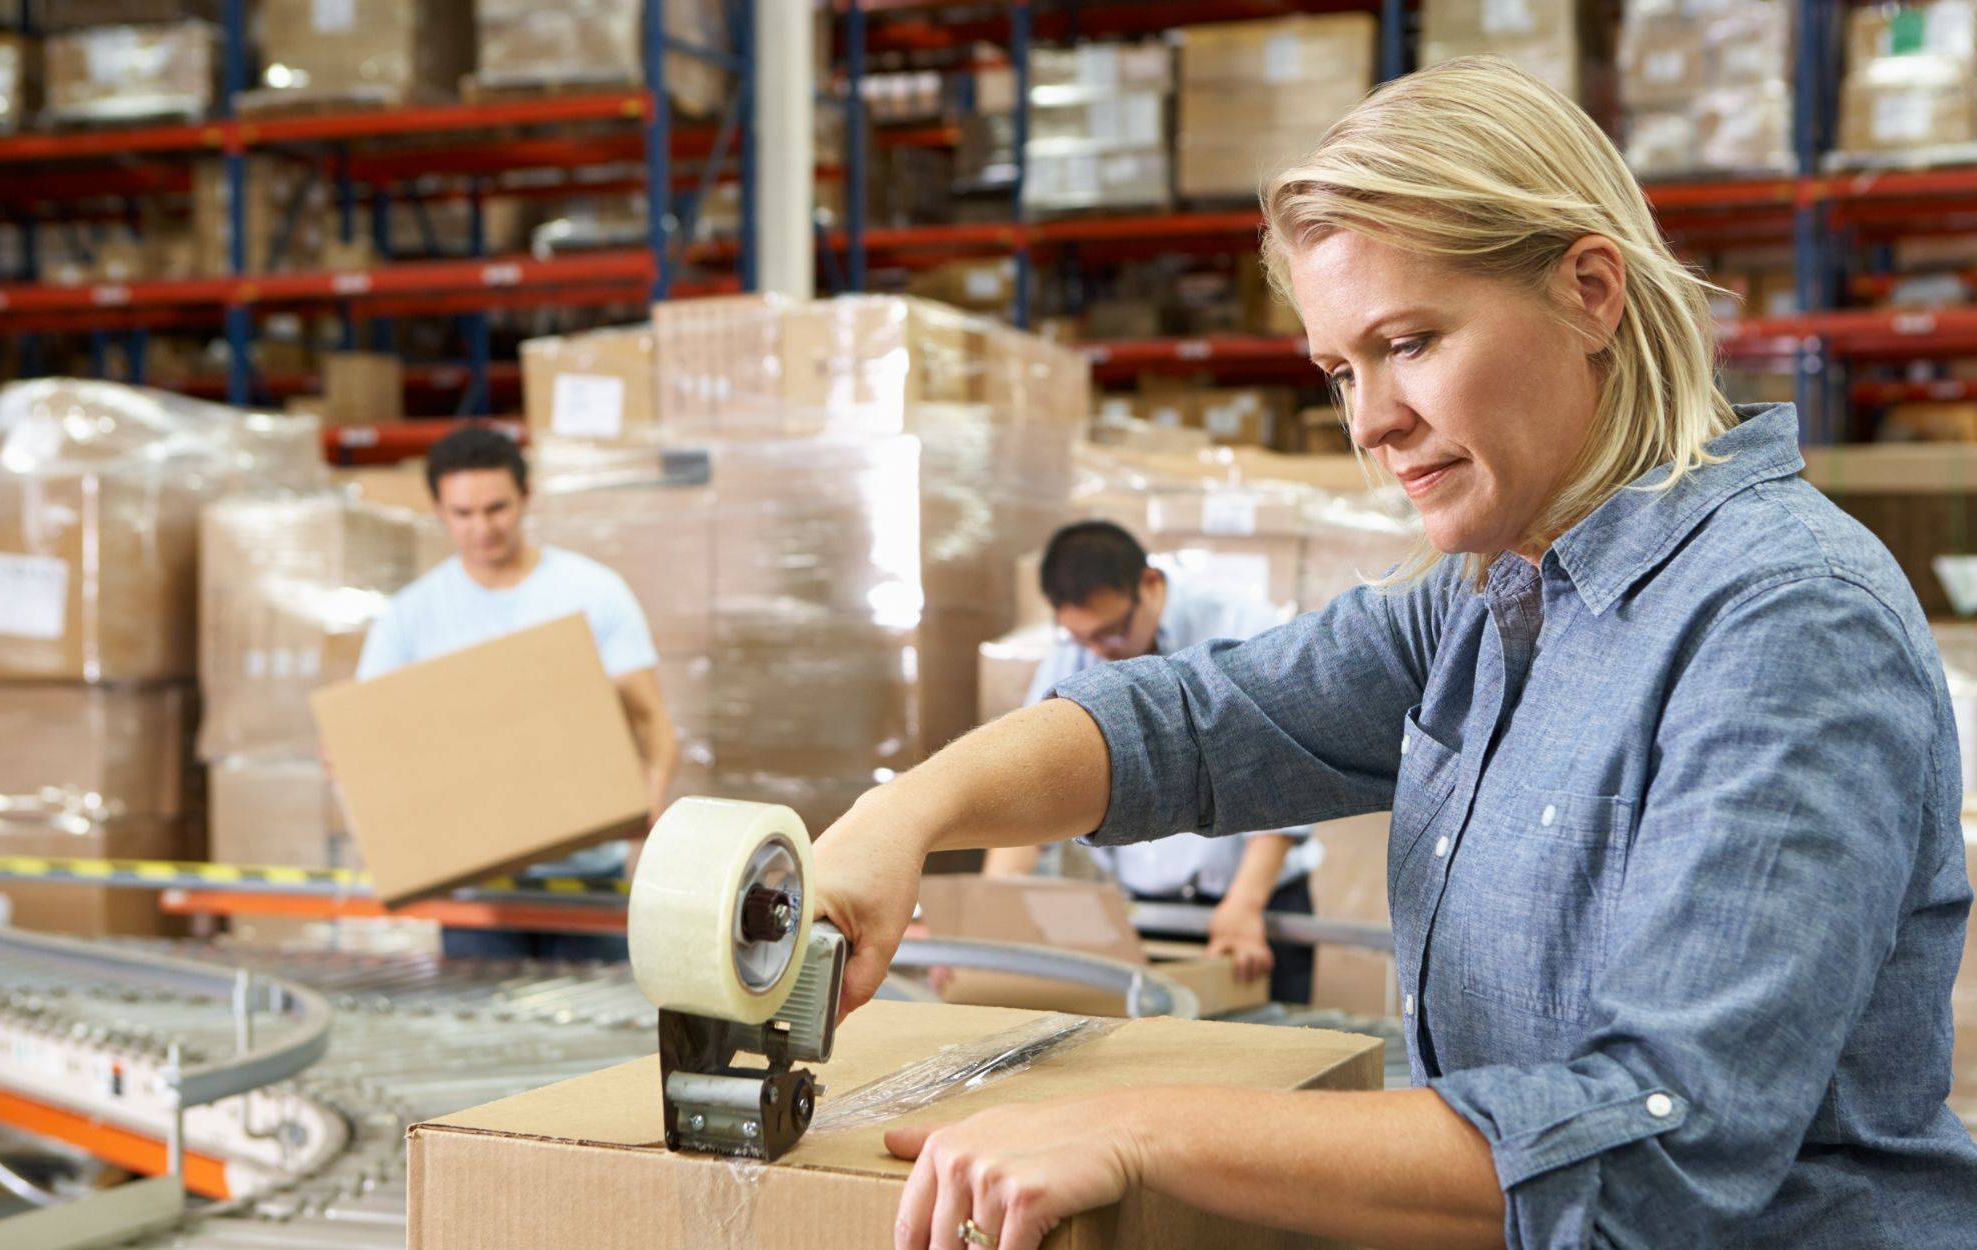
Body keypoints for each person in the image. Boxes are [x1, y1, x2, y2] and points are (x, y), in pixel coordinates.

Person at [810, 56, 1977, 1250]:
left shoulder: (1783, 621)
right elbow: (1193, 722)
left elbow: (1659, 1141)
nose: (1368, 422)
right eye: (1339, 370)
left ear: (1588, 291)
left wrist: (1136, 1130)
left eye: (1408, 341)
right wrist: (908, 814)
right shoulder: (1486, 597)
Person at [355, 424, 676, 962]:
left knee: (599, 1041)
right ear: (438, 508)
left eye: (497, 508)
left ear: (526, 498)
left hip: (586, 877)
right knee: (488, 1035)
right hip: (473, 883)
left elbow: (651, 720)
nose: (482, 527)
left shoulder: (591, 593)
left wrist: (651, 792)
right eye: (463, 513)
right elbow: (368, 740)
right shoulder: (410, 618)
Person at [982, 520, 1319, 1000]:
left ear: (1150, 584)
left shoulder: (1242, 630)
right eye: (1086, 640)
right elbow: (1031, 785)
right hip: (1145, 912)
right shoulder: (1074, 658)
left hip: (1252, 904)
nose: (1101, 650)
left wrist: (1245, 903)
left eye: (1113, 632)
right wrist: (985, 919)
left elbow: (1287, 779)